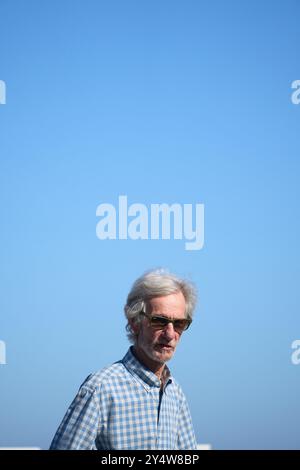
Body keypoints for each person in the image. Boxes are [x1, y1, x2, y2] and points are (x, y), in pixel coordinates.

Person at [50, 269, 198, 450]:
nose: (170, 334)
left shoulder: (175, 393)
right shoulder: (101, 389)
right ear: (134, 322)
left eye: (179, 324)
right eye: (159, 321)